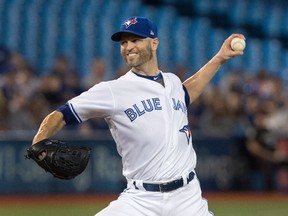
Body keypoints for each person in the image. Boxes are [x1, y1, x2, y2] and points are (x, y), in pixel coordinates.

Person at [32, 16, 245, 216]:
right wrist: (38, 141)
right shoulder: (113, 90)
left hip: (187, 198)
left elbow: (187, 91)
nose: (128, 46)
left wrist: (219, 58)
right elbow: (61, 114)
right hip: (140, 200)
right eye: (124, 42)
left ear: (154, 43)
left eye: (135, 39)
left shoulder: (172, 82)